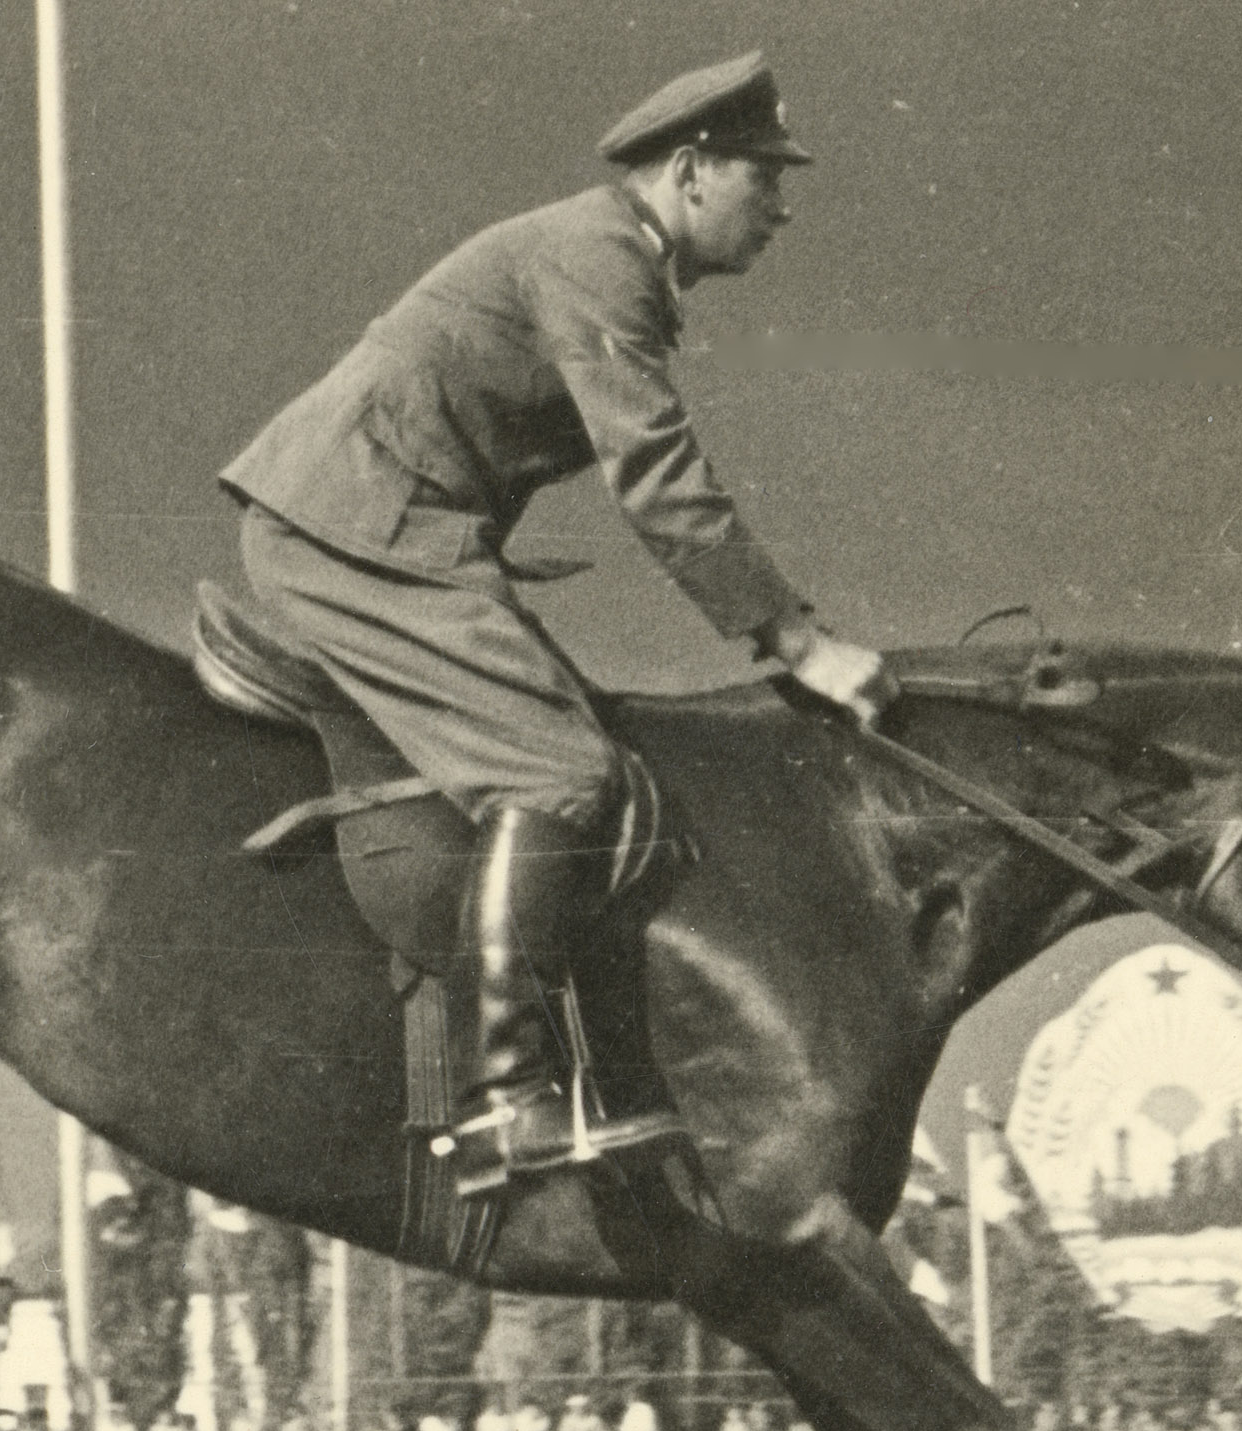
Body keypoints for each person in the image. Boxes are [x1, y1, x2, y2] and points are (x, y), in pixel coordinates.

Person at [222, 52, 886, 1191]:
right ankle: (502, 1104)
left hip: (382, 525)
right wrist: (797, 641)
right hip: (354, 531)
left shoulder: (610, 254)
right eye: (764, 177)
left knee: (577, 762)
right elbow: (659, 477)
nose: (782, 204)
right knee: (561, 777)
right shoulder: (601, 260)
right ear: (690, 170)